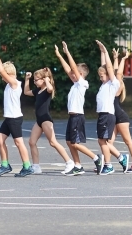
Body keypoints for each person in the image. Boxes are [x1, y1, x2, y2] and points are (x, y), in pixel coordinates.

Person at [55, 41, 101, 176]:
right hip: (72, 117)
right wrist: (59, 56)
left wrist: (67, 52)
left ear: (80, 73)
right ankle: (78, 165)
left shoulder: (82, 83)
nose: (71, 74)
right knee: (69, 142)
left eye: (74, 72)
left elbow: (72, 68)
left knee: (75, 143)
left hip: (78, 117)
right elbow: (68, 69)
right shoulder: (75, 83)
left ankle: (96, 158)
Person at [0, 47, 33, 177]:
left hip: (14, 118)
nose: (1, 77)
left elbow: (2, 71)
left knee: (19, 142)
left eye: (4, 75)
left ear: (9, 74)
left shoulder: (15, 83)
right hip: (8, 118)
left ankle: (27, 166)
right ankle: (5, 165)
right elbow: (2, 72)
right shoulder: (9, 85)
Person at [24, 67, 73, 176]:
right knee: (32, 142)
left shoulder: (47, 89)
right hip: (39, 121)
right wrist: (27, 79)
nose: (35, 81)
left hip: (46, 120)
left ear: (43, 79)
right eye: (34, 80)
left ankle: (69, 163)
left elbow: (51, 89)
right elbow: (26, 92)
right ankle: (36, 166)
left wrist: (47, 79)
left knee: (53, 142)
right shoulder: (38, 91)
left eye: (36, 80)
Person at [95, 41, 129, 175]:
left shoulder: (113, 83)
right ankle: (121, 157)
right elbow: (104, 66)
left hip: (107, 114)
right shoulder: (104, 84)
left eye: (102, 75)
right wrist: (102, 52)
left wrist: (106, 51)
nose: (100, 77)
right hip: (103, 115)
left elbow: (108, 67)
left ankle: (109, 165)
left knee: (102, 141)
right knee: (102, 140)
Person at [111, 48, 132, 173]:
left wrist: (123, 59)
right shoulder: (111, 84)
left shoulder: (119, 84)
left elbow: (117, 73)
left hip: (121, 117)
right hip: (113, 116)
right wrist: (115, 58)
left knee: (128, 141)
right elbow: (113, 71)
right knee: (107, 142)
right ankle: (114, 161)